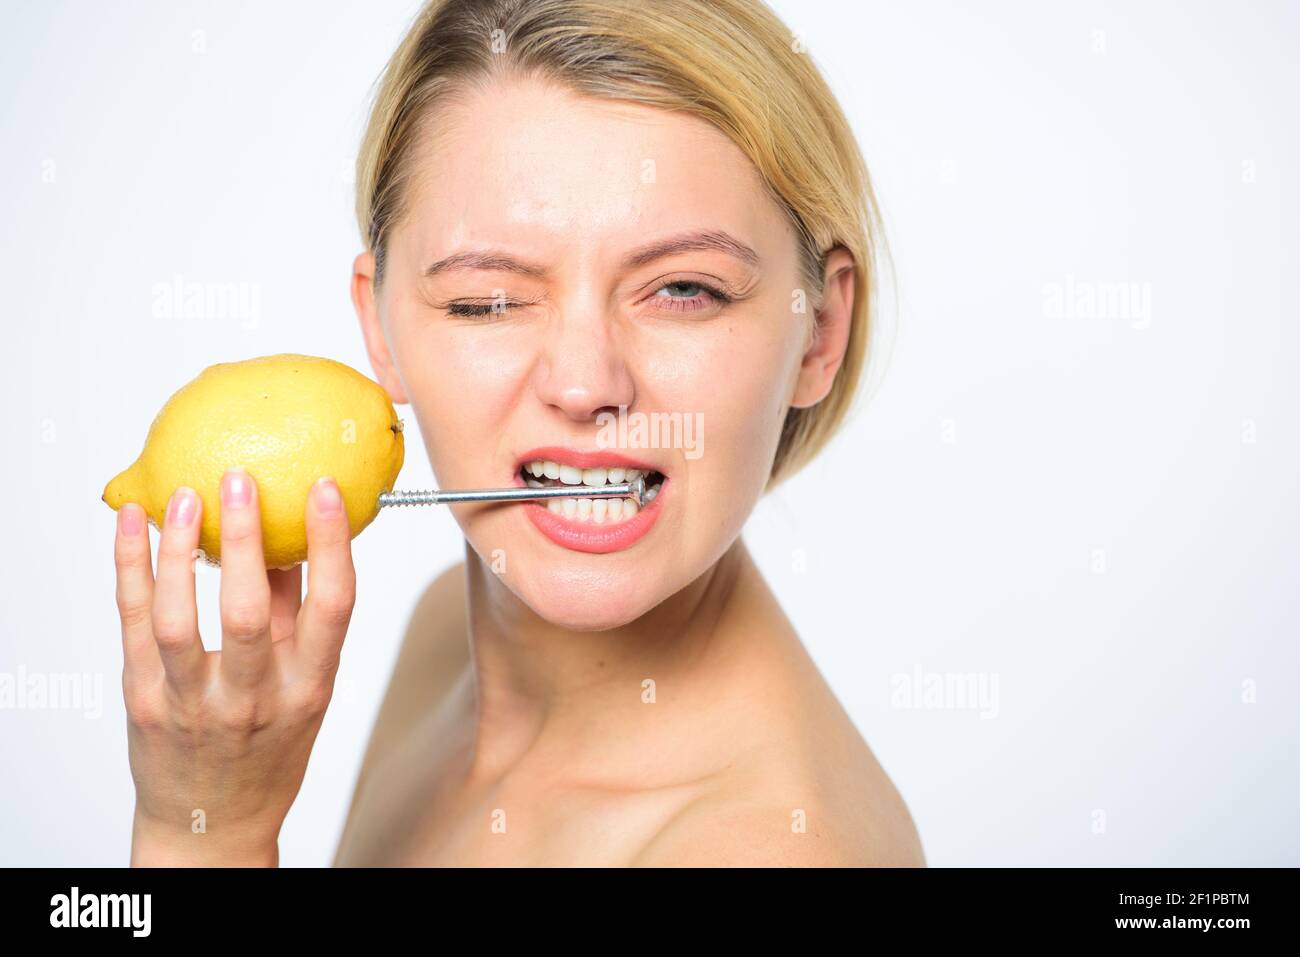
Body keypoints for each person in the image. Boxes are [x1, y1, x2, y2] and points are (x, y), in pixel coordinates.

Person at [112, 0, 924, 867]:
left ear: (821, 330)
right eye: (488, 299)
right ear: (381, 330)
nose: (583, 383)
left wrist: (205, 834)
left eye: (685, 289)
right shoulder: (440, 641)